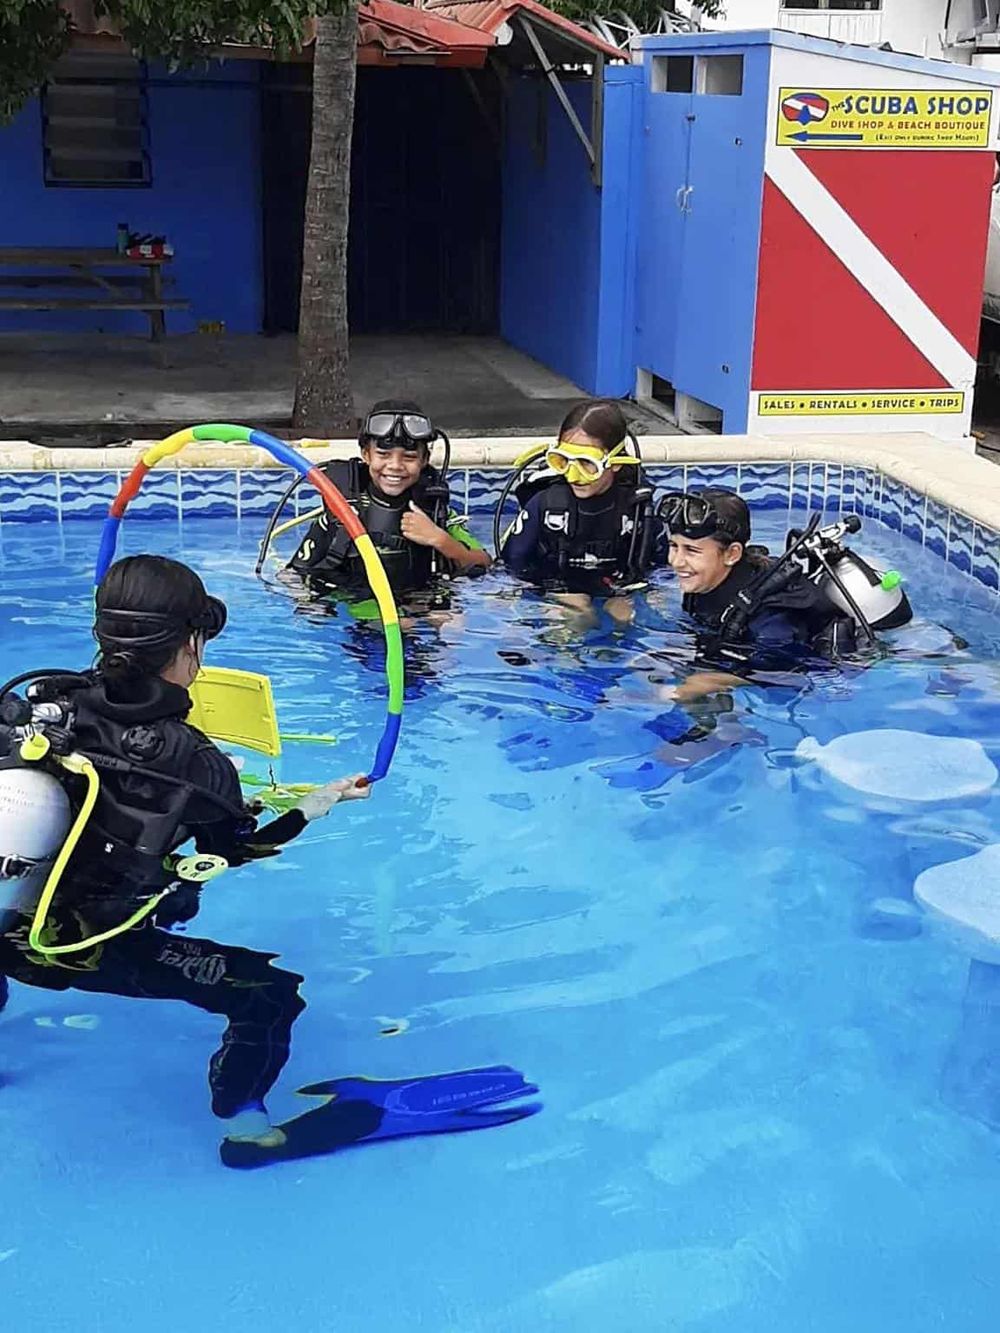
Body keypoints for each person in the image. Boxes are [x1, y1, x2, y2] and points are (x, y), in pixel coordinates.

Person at [0, 554, 368, 1152]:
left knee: (172, 899)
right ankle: (248, 1132)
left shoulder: (47, 704)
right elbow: (240, 848)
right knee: (271, 995)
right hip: (86, 948)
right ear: (192, 644)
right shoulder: (195, 763)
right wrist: (316, 803)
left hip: (9, 925)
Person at [660, 487, 911, 699]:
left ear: (732, 554)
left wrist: (711, 682)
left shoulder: (771, 618)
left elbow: (786, 679)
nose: (677, 561)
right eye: (674, 546)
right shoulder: (704, 581)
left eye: (691, 551)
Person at [288, 400, 489, 609]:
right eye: (383, 455)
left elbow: (484, 561)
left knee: (452, 625)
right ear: (366, 454)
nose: (395, 466)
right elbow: (294, 575)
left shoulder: (433, 510)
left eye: (409, 457)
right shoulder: (345, 508)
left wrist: (438, 538)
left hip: (421, 599)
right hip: (359, 603)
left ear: (424, 460)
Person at [499, 399, 657, 620]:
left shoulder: (638, 508)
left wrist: (633, 594)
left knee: (623, 616)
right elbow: (510, 567)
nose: (573, 475)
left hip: (616, 590)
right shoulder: (544, 504)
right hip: (556, 590)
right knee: (577, 613)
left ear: (616, 462)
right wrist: (547, 594)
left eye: (586, 463)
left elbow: (660, 568)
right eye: (563, 461)